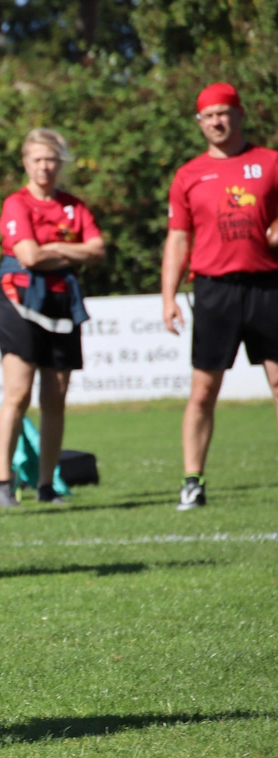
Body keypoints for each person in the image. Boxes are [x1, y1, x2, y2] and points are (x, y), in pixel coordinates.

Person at [161, 82, 278, 511]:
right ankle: (192, 481)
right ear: (199, 122)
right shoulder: (188, 175)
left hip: (268, 285)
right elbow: (178, 238)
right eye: (208, 116)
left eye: (223, 113)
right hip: (214, 288)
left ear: (239, 115)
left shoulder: (270, 163)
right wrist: (168, 296)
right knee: (203, 390)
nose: (216, 122)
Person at [0, 128, 105, 508]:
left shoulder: (73, 206)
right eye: (37, 159)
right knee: (18, 393)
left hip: (61, 302)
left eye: (51, 159)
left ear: (60, 163)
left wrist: (51, 247)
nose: (44, 167)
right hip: (17, 299)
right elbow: (29, 256)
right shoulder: (16, 203)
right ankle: (3, 482)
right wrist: (69, 250)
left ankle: (46, 485)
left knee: (55, 398)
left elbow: (97, 249)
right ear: (26, 162)